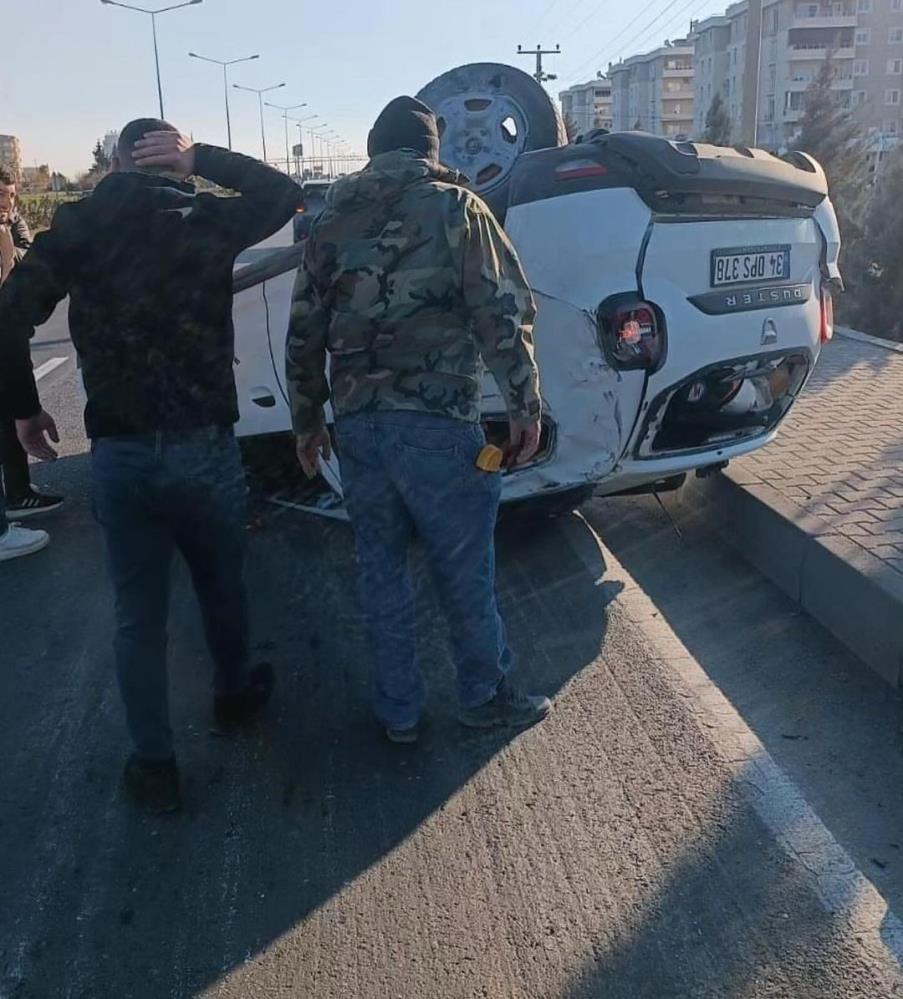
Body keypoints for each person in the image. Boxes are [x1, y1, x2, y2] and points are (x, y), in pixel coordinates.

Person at [0, 120, 302, 812]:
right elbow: (284, 193)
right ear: (174, 161)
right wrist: (204, 159)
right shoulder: (206, 216)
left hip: (121, 449)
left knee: (138, 614)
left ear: (112, 164)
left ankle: (155, 764)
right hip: (204, 443)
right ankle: (233, 694)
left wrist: (23, 410)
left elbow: (8, 315)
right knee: (221, 583)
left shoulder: (81, 224)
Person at [286, 96, 552, 744]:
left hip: (358, 426)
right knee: (462, 569)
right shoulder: (459, 208)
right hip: (437, 420)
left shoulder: (329, 222)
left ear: (374, 151)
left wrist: (307, 421)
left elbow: (303, 332)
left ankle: (398, 711)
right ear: (431, 151)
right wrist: (525, 405)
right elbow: (501, 314)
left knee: (380, 570)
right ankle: (483, 695)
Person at [0, 166, 62, 557]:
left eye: (10, 194)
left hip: (10, 334)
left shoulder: (11, 226)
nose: (7, 202)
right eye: (0, 195)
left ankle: (17, 494)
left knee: (8, 418)